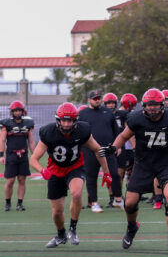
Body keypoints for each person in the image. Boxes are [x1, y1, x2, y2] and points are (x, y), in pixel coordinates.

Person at [108, 88, 168, 254]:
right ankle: (132, 227)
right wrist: (114, 148)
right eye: (149, 105)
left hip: (167, 163)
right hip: (144, 164)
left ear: (162, 105)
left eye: (156, 105)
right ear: (144, 105)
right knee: (129, 202)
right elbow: (123, 136)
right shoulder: (135, 118)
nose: (152, 108)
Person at [29, 102, 112, 248]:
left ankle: (73, 229)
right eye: (64, 120)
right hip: (55, 169)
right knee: (57, 211)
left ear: (76, 120)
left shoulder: (82, 130)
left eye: (70, 120)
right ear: (58, 120)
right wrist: (42, 170)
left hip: (75, 167)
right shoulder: (48, 132)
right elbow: (33, 159)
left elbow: (98, 150)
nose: (66, 124)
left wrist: (106, 172)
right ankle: (61, 234)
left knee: (76, 193)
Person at [77, 90, 123, 212]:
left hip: (107, 149)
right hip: (89, 150)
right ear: (89, 100)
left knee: (114, 174)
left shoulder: (108, 112)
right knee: (91, 176)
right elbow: (78, 132)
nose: (97, 100)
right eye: (94, 98)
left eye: (98, 98)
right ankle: (94, 203)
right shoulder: (82, 114)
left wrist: (118, 146)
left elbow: (116, 131)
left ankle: (118, 199)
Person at [0, 101, 35, 211]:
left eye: (19, 110)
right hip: (11, 155)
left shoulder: (28, 123)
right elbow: (2, 140)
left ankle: (20, 203)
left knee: (21, 179)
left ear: (22, 111)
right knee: (10, 181)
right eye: (15, 110)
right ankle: (8, 202)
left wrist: (35, 155)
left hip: (23, 155)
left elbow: (31, 141)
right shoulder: (6, 124)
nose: (17, 112)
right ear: (12, 112)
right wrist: (1, 155)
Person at [115, 93, 137, 187]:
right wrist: (134, 147)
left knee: (126, 172)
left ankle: (124, 194)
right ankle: (125, 193)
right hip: (125, 147)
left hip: (118, 145)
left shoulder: (115, 113)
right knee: (126, 172)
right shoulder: (125, 114)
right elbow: (130, 132)